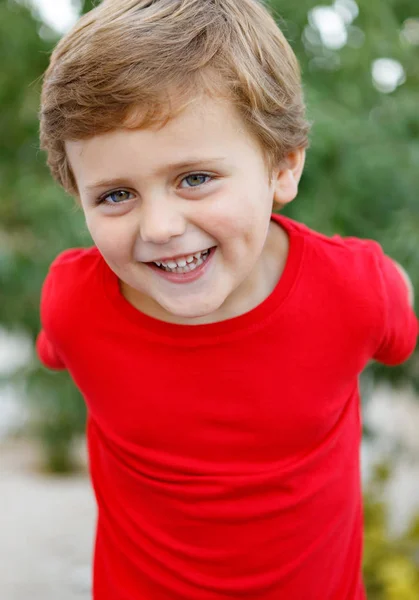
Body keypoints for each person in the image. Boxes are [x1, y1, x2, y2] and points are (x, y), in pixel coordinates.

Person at [36, 0, 418, 598]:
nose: (159, 227)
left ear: (282, 168)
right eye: (115, 195)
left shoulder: (354, 291)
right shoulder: (73, 303)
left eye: (194, 178)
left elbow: (396, 300)